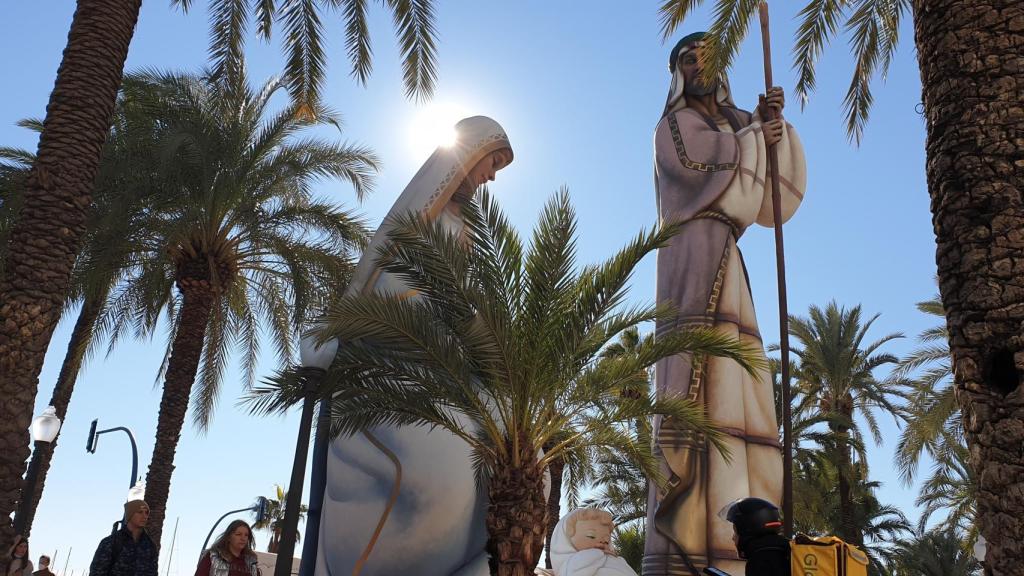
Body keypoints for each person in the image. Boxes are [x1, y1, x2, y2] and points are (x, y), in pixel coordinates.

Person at [318, 116, 514, 576]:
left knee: (514, 444)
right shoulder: (418, 220)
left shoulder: (466, 226)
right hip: (402, 359)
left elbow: (466, 296)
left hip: (454, 362)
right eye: (491, 162)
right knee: (439, 469)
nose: (490, 176)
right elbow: (387, 285)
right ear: (468, 152)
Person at [643, 31, 807, 576]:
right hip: (690, 257)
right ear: (678, 72)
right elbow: (702, 167)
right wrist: (757, 133)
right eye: (688, 59)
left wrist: (770, 129)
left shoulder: (736, 122)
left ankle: (736, 539)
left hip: (728, 259)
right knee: (693, 380)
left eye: (706, 57)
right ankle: (685, 543)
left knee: (738, 386)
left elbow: (767, 198)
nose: (698, 66)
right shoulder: (673, 126)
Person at [548, 508, 637, 576]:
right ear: (566, 538)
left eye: (606, 541)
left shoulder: (617, 561)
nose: (602, 542)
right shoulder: (572, 566)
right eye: (591, 536)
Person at [719, 498, 789, 576]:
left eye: (736, 533)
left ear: (746, 531)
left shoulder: (761, 560)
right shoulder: (784, 551)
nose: (733, 538)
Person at [88, 499, 159, 576]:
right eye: (140, 512)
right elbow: (97, 572)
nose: (145, 516)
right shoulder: (111, 542)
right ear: (130, 514)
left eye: (146, 513)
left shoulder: (150, 546)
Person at [195, 520, 260, 576]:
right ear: (229, 537)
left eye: (246, 535)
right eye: (238, 534)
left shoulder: (251, 562)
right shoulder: (213, 556)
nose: (243, 538)